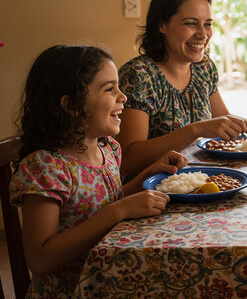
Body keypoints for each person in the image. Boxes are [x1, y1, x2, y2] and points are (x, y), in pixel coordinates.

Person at [10, 45, 188, 298]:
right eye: (109, 89)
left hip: (113, 276)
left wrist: (149, 176)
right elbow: (40, 259)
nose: (123, 96)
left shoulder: (108, 148)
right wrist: (119, 211)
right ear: (71, 105)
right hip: (74, 290)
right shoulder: (47, 168)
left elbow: (101, 202)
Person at [116, 0, 247, 176]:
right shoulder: (139, 75)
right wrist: (194, 130)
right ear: (162, 24)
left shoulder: (203, 68)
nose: (203, 34)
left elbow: (224, 121)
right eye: (191, 24)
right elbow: (127, 159)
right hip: (153, 193)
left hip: (201, 181)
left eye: (208, 24)